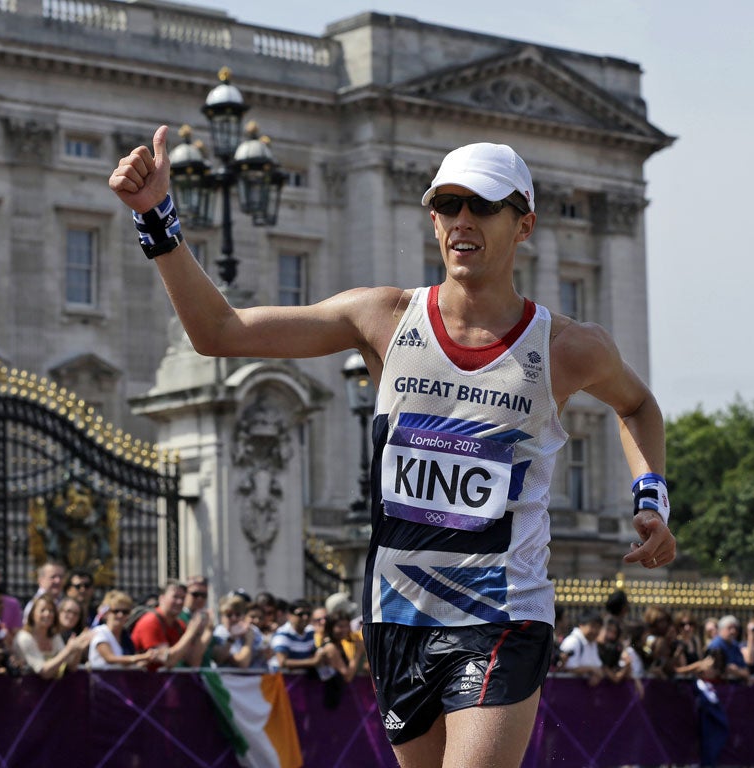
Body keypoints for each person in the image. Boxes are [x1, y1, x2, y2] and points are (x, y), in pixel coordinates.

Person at [110, 129, 674, 768]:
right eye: (447, 204)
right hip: (396, 611)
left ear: (524, 225)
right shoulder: (382, 317)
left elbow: (638, 406)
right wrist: (155, 218)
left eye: (483, 206)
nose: (462, 221)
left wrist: (650, 496)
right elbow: (218, 332)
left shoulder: (571, 345)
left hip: (502, 611)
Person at [130, 580, 209, 669]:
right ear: (161, 598)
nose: (179, 602)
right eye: (175, 597)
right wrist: (190, 632)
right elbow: (168, 661)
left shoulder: (179, 625)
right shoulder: (150, 621)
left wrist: (208, 631)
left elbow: (193, 662)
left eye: (183, 598)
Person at [13, 594, 88, 678]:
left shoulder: (54, 637)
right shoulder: (24, 637)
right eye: (42, 610)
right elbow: (44, 672)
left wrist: (78, 649)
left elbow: (71, 667)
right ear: (33, 613)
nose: (47, 614)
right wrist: (68, 650)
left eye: (51, 611)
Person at [88, 590, 157, 670]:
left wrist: (147, 659)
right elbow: (110, 658)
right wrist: (141, 657)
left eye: (125, 612)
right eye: (116, 611)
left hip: (119, 681)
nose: (120, 615)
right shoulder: (100, 632)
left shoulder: (125, 636)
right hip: (100, 681)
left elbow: (126, 664)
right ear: (107, 613)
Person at [270, 600, 321, 673]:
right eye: (300, 614)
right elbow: (282, 662)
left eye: (308, 614)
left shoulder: (311, 631)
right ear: (289, 616)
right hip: (283, 681)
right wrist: (313, 662)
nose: (305, 617)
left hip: (303, 681)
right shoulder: (282, 634)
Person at [557, 611, 605, 684]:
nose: (595, 631)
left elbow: (597, 666)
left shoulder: (592, 642)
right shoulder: (572, 641)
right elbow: (567, 668)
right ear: (581, 625)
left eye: (598, 627)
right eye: (593, 626)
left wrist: (597, 674)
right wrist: (591, 669)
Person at [706, 616, 750, 681]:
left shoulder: (735, 645)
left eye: (735, 628)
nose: (733, 631)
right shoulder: (715, 645)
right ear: (721, 629)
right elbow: (713, 670)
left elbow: (746, 671)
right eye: (729, 628)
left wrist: (736, 671)